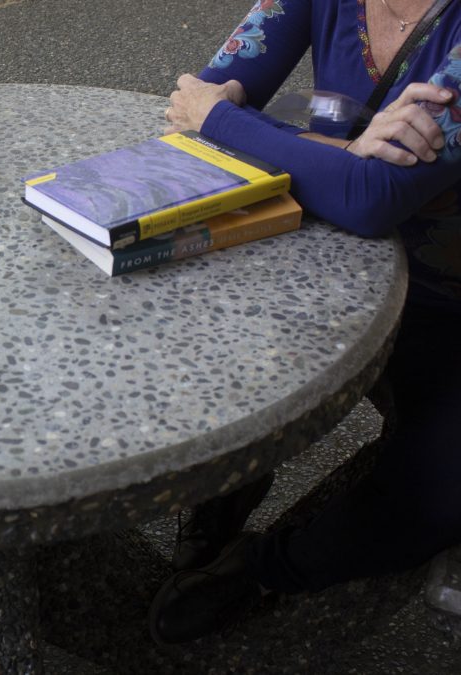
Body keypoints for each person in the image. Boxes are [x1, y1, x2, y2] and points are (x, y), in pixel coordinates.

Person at [148, 0, 461, 644]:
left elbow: (371, 198)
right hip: (327, 261)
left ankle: (266, 566)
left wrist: (247, 126)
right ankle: (228, 483)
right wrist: (342, 149)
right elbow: (196, 104)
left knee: (437, 494)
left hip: (447, 305)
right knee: (195, 335)